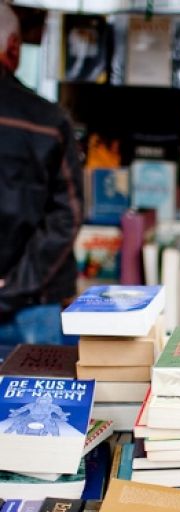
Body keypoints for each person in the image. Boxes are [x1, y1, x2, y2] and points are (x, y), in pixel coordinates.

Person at [0, 4, 83, 345]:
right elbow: (68, 215)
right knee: (42, 396)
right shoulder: (47, 120)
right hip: (34, 309)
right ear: (14, 46)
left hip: (33, 310)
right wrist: (15, 285)